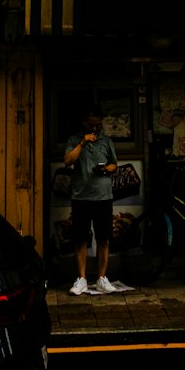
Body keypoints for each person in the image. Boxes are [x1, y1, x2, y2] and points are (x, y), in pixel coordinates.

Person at [63, 107, 118, 295]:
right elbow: (68, 161)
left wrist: (106, 169)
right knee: (80, 239)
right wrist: (82, 142)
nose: (95, 128)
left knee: (103, 238)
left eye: (97, 124)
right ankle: (82, 279)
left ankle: (102, 278)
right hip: (81, 196)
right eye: (91, 124)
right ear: (84, 123)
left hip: (103, 196)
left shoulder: (106, 141)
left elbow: (114, 163)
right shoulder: (74, 139)